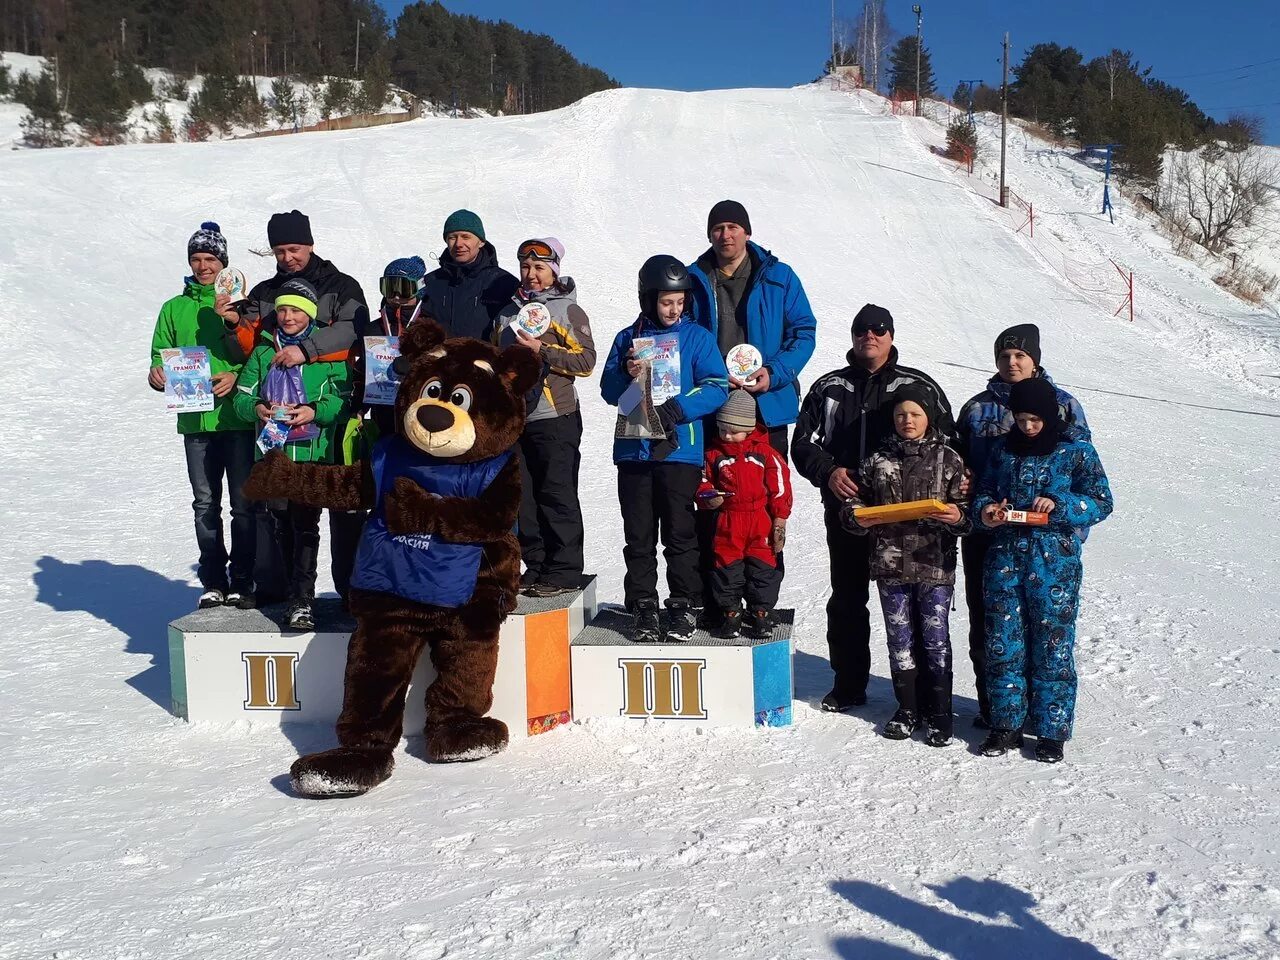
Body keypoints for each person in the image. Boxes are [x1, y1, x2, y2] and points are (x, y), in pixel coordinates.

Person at [792, 304, 955, 713]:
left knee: (915, 603)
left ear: (892, 335)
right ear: (852, 335)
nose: (871, 335)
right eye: (863, 329)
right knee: (847, 598)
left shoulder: (917, 386)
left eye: (879, 329)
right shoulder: (829, 388)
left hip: (909, 521)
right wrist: (828, 472)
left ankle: (921, 698)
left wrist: (958, 489)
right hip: (851, 514)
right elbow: (803, 444)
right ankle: (849, 684)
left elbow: (950, 443)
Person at [216, 209, 369, 606]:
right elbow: (255, 350)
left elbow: (355, 331)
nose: (288, 257)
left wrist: (306, 350)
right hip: (279, 424)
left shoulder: (341, 285)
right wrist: (236, 326)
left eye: (295, 248)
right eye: (280, 250)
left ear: (311, 244)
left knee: (339, 505)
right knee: (279, 506)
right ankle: (279, 589)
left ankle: (350, 591)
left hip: (330, 413)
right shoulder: (265, 293)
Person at [687, 200, 816, 624]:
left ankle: (762, 603)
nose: (726, 235)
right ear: (710, 234)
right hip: (712, 408)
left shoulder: (779, 276)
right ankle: (719, 605)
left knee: (765, 504)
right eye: (718, 228)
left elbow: (803, 332)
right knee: (714, 501)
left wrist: (774, 372)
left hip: (765, 406)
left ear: (747, 231)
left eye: (733, 227)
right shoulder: (693, 278)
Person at [971, 377, 1113, 763]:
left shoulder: (1075, 451)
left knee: (1053, 644)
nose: (1029, 427)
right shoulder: (1002, 450)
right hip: (1005, 560)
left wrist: (1060, 503)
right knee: (1003, 642)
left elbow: (1101, 500)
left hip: (1055, 562)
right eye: (1022, 419)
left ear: (1049, 415)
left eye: (1035, 419)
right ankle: (1007, 724)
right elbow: (982, 492)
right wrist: (986, 511)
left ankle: (1051, 729)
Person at [956, 323, 1090, 728]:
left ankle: (1041, 713)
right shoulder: (976, 408)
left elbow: (1085, 474)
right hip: (991, 533)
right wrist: (969, 494)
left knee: (1045, 629)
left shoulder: (1063, 404)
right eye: (1004, 356)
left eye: (1019, 356)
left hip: (1047, 542)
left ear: (1035, 359)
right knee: (992, 623)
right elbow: (959, 463)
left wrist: (1069, 535)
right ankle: (996, 709)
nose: (1011, 362)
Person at [600, 255, 729, 642]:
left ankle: (682, 604)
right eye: (665, 302)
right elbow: (608, 390)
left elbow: (716, 386)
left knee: (679, 533)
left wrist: (678, 408)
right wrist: (625, 371)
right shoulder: (628, 338)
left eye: (680, 301)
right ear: (648, 299)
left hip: (678, 452)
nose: (674, 309)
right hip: (634, 450)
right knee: (638, 534)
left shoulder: (697, 338)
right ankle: (643, 605)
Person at [840, 384, 970, 746]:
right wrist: (856, 516)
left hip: (934, 565)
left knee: (935, 639)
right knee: (900, 639)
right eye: (900, 415)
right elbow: (854, 504)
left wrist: (957, 514)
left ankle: (940, 713)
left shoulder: (949, 458)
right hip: (890, 566)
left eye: (914, 414)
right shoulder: (877, 460)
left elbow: (968, 511)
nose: (907, 420)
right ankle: (908, 708)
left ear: (928, 416)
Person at [147, 221, 257, 610]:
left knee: (244, 504)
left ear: (223, 262)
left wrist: (236, 375)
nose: (203, 266)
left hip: (237, 420)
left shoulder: (241, 305)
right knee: (205, 503)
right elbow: (160, 354)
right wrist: (156, 374)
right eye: (196, 258)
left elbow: (258, 356)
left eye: (210, 258)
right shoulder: (173, 308)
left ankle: (244, 579)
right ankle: (213, 579)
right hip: (195, 422)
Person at [231, 279, 352, 630]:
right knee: (281, 523)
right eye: (283, 309)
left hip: (311, 451)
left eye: (297, 310)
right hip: (275, 451)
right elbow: (240, 395)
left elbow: (341, 396)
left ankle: (304, 599)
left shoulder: (324, 353)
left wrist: (314, 410)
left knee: (306, 525)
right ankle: (289, 592)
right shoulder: (264, 351)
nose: (288, 316)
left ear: (310, 315)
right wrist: (256, 408)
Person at [494, 238, 596, 597]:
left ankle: (565, 569)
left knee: (557, 492)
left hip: (555, 415)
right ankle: (536, 565)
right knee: (525, 498)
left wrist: (543, 350)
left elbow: (585, 362)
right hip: (516, 418)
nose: (532, 274)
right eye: (525, 266)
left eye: (539, 267)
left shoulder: (567, 310)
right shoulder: (507, 313)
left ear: (553, 270)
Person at [697, 390, 792, 639]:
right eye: (722, 430)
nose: (727, 435)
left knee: (764, 566)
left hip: (760, 519)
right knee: (726, 566)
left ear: (749, 428)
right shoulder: (713, 455)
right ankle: (731, 612)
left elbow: (780, 485)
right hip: (728, 519)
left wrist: (779, 518)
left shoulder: (765, 453)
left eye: (734, 430)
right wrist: (708, 496)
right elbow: (702, 481)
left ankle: (760, 612)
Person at [350, 256, 430, 439]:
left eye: (403, 289)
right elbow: (364, 372)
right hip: (383, 417)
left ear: (418, 289)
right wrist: (359, 408)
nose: (395, 296)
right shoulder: (373, 328)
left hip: (421, 419)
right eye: (389, 287)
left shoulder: (430, 327)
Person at [421, 209, 520, 342]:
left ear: (481, 242)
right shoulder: (431, 282)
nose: (458, 244)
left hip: (484, 361)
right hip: (440, 361)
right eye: (452, 237)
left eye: (466, 237)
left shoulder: (504, 283)